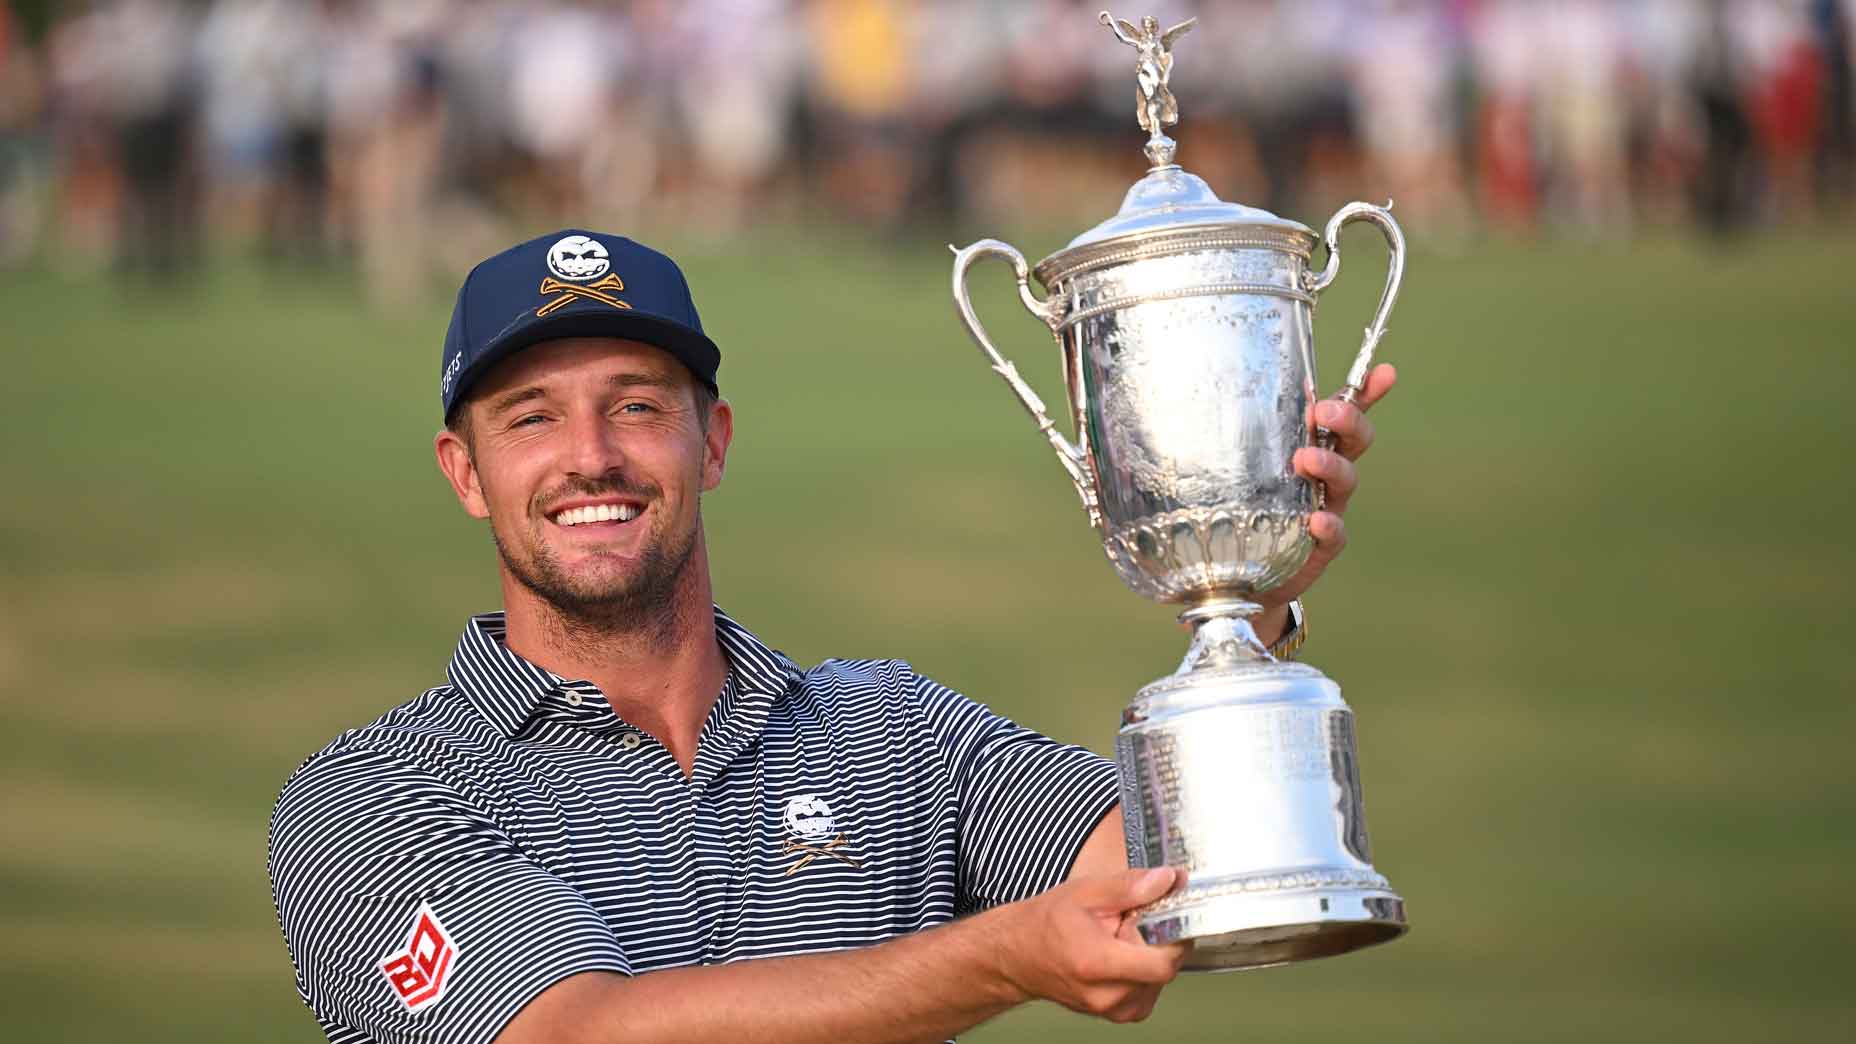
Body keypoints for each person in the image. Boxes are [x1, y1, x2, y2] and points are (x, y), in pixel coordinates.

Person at [267, 229, 1396, 1044]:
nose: (592, 457)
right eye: (531, 418)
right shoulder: (371, 796)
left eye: (636, 405)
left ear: (710, 444)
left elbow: (1176, 873)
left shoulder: (885, 728)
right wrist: (999, 956)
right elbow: (576, 1036)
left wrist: (1243, 597)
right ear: (465, 473)